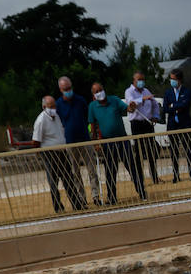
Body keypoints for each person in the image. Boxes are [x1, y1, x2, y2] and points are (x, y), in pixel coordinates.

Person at [87, 81, 146, 203]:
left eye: (101, 89)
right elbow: (93, 126)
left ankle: (142, 192)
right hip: (107, 142)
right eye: (96, 91)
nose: (100, 93)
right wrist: (95, 142)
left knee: (132, 167)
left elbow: (128, 109)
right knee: (110, 171)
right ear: (93, 95)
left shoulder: (114, 100)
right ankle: (112, 197)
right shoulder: (92, 106)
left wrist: (132, 107)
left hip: (122, 139)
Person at [29, 96, 81, 213]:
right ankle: (58, 207)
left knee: (69, 179)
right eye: (50, 106)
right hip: (50, 154)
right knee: (53, 182)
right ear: (44, 107)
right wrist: (42, 153)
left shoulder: (57, 116)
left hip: (62, 152)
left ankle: (76, 204)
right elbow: (36, 141)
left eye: (54, 106)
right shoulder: (41, 120)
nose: (53, 108)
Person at [55, 76, 95, 207]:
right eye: (65, 89)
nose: (68, 91)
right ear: (61, 89)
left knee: (92, 170)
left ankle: (96, 196)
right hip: (70, 142)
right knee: (75, 171)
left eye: (69, 88)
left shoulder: (81, 100)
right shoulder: (58, 104)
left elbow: (85, 116)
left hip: (84, 139)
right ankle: (81, 198)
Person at [125, 72, 162, 185]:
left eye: (143, 79)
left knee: (152, 150)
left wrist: (156, 116)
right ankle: (139, 178)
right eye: (139, 79)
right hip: (137, 124)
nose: (141, 81)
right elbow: (131, 104)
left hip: (148, 123)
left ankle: (154, 176)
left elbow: (155, 104)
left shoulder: (146, 91)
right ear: (134, 81)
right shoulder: (129, 91)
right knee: (139, 151)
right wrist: (142, 99)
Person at [162, 69, 191, 183]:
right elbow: (165, 108)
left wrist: (172, 105)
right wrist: (176, 106)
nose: (172, 81)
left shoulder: (187, 91)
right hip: (172, 125)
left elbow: (185, 104)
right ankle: (176, 176)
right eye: (171, 79)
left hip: (184, 124)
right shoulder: (168, 92)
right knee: (174, 151)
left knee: (187, 150)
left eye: (174, 79)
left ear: (179, 79)